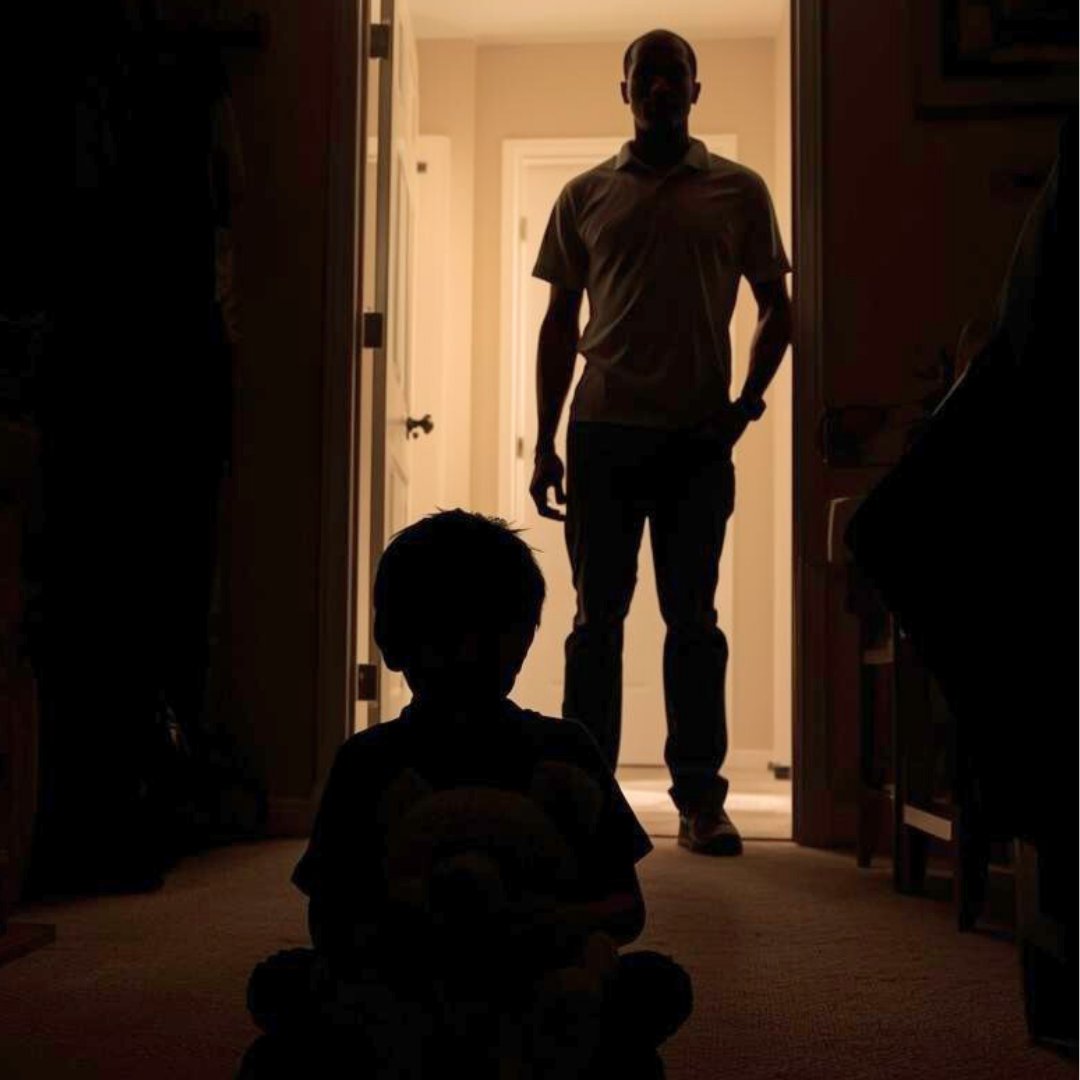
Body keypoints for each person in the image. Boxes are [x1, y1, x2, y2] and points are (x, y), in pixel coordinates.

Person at [238, 510, 692, 1079]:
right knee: (284, 992)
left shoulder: (566, 751)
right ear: (394, 644)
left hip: (541, 986)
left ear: (525, 640)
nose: (469, 657)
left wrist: (548, 923)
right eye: (448, 638)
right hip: (403, 988)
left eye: (489, 637)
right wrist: (415, 930)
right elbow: (330, 923)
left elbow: (626, 908)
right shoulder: (369, 761)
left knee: (654, 987)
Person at [529, 29, 793, 856]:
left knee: (693, 624)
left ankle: (700, 802)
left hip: (694, 442)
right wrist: (544, 442)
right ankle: (588, 803)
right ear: (626, 92)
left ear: (694, 89)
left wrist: (745, 404)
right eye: (646, 77)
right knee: (594, 624)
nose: (660, 89)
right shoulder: (584, 195)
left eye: (673, 76)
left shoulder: (740, 192)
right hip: (601, 432)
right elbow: (557, 323)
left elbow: (777, 309)